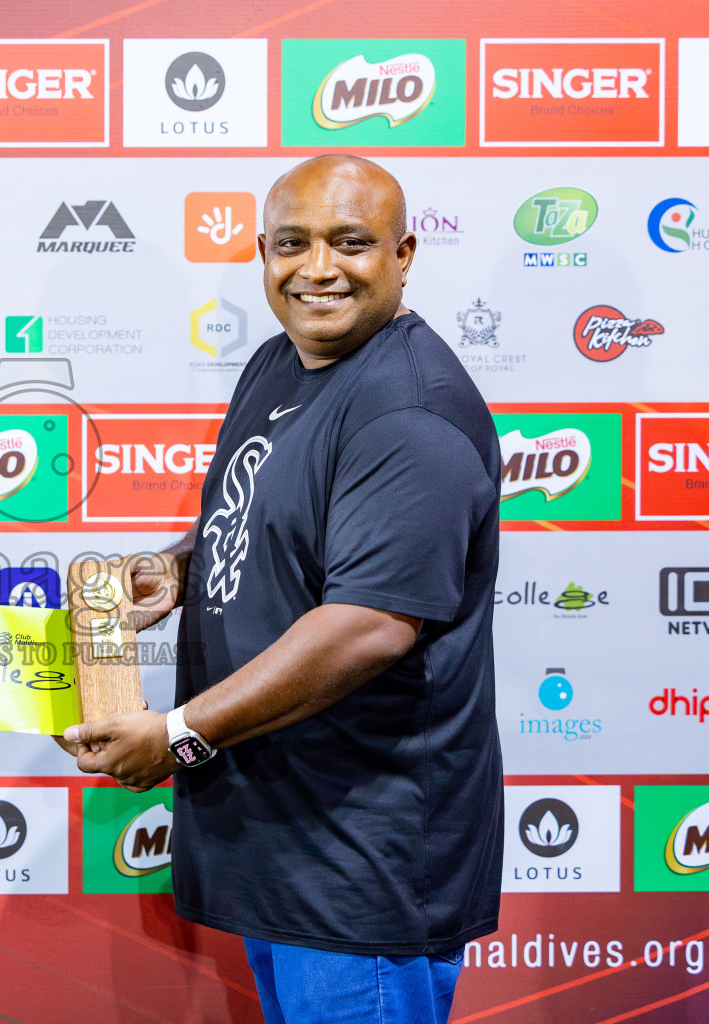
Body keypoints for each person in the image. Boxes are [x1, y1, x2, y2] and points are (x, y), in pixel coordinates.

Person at [63, 155, 503, 1024]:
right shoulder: (281, 361)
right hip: (285, 838)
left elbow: (369, 623)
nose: (318, 270)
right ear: (263, 252)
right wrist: (181, 572)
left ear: (405, 253)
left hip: (360, 863)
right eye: (293, 244)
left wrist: (180, 734)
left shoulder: (408, 410)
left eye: (351, 243)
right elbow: (272, 518)